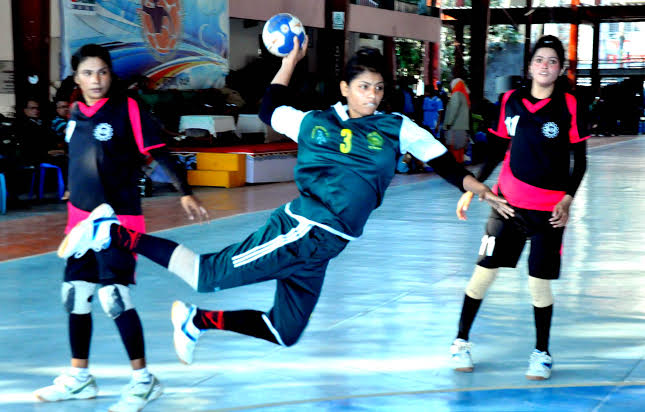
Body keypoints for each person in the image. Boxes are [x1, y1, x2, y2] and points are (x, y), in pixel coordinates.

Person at [56, 38, 513, 368]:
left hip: (326, 248)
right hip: (304, 229)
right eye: (364, 86)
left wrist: (479, 189)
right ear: (344, 87)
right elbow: (269, 104)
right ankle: (112, 232)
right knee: (206, 273)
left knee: (284, 330)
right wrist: (290, 60)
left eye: (378, 87)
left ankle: (198, 322)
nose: (373, 94)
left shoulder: (396, 127)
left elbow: (446, 164)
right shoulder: (314, 123)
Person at [34, 44, 208, 412]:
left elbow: (160, 152)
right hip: (80, 224)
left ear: (110, 75)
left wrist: (185, 193)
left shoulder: (128, 108)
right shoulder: (76, 113)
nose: (96, 80)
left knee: (114, 297)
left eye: (102, 72)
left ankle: (144, 381)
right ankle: (80, 379)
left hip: (118, 220)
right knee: (75, 295)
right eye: (87, 73)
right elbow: (82, 159)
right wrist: (72, 188)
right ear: (76, 78)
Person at [449, 35, 588, 381]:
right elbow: (495, 149)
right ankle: (460, 341)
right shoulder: (509, 100)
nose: (545, 66)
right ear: (529, 66)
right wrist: (474, 187)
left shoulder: (569, 105)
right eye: (539, 60)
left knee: (539, 284)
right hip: (507, 207)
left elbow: (579, 162)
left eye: (552, 61)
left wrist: (567, 200)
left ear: (561, 69)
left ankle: (542, 353)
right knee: (483, 274)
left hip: (548, 214)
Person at [443, 78, 471, 163]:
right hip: (462, 126)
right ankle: (459, 167)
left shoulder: (456, 94)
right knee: (460, 149)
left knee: (454, 149)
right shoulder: (464, 95)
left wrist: (448, 123)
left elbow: (454, 110)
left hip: (455, 126)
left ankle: (456, 169)